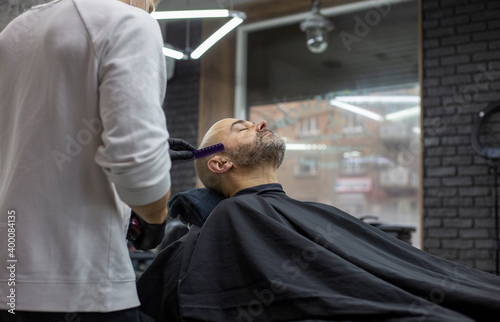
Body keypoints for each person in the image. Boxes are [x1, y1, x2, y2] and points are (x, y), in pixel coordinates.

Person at [137, 118, 500, 322]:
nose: (261, 122)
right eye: (241, 127)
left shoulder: (312, 212)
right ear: (219, 163)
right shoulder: (233, 217)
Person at [0, 0, 178, 321]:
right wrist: (156, 219)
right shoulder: (128, 21)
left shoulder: (11, 34)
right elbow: (138, 168)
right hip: (82, 287)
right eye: (150, 8)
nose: (148, 15)